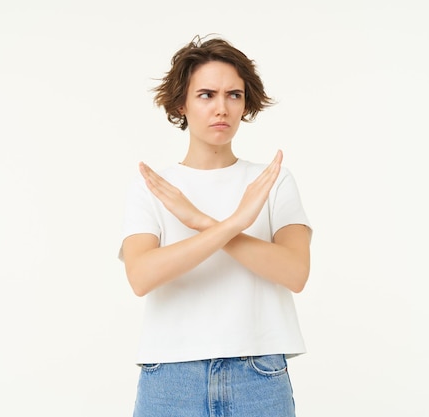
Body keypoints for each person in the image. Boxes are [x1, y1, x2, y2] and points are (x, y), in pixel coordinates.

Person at [119, 35, 313, 417]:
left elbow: (295, 273)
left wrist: (204, 223)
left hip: (258, 373)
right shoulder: (154, 187)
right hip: (171, 377)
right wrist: (235, 223)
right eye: (206, 95)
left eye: (234, 95)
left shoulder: (272, 181)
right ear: (182, 104)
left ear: (245, 104)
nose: (221, 108)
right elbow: (141, 277)